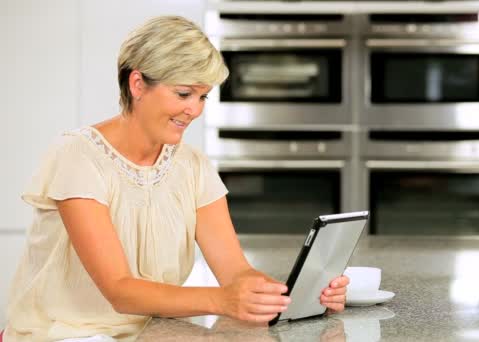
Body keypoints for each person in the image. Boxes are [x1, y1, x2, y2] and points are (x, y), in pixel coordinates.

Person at [3, 16, 349, 342]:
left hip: (151, 331)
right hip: (67, 334)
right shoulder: (77, 157)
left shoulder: (193, 166)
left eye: (202, 97)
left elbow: (235, 274)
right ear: (137, 83)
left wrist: (295, 294)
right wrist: (222, 301)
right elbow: (120, 290)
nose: (195, 110)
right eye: (184, 94)